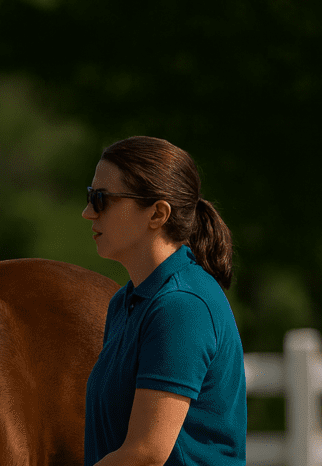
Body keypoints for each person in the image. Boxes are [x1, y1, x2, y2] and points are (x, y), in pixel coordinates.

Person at [81, 136, 246, 466]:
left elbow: (146, 454)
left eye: (101, 199)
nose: (87, 213)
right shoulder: (125, 303)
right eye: (90, 197)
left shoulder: (182, 306)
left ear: (157, 213)